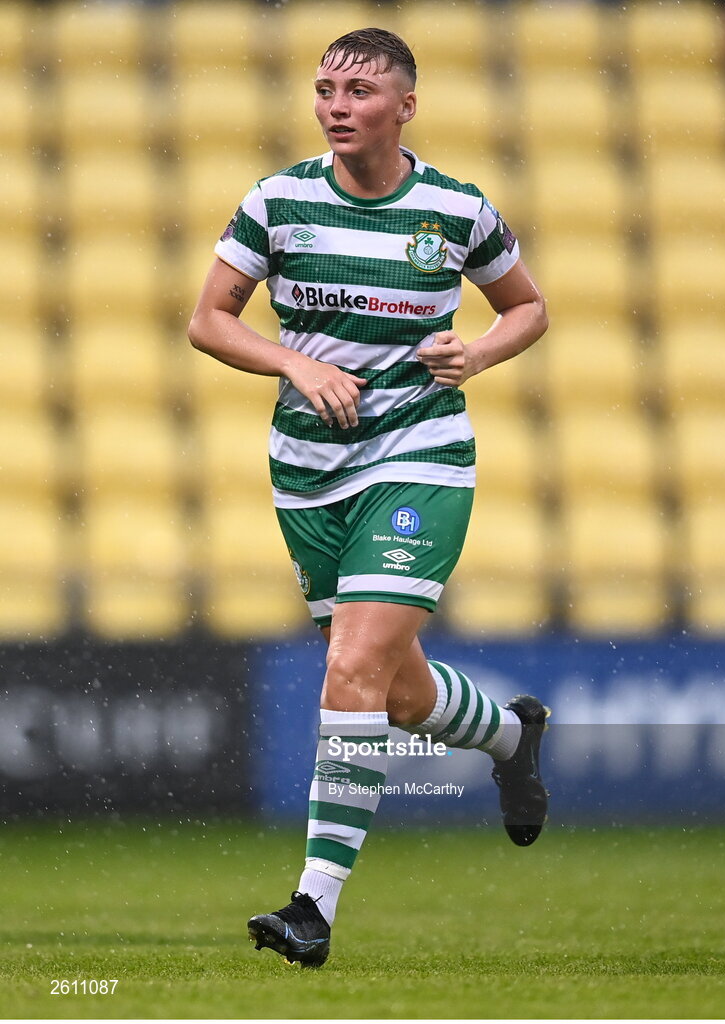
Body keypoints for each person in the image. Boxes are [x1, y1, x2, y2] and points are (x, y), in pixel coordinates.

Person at [188, 27, 549, 969]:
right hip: (310, 470)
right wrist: (293, 360)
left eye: (356, 89)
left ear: (405, 106)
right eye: (324, 88)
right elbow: (208, 321)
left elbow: (528, 307)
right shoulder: (278, 201)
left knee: (350, 667)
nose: (335, 104)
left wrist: (474, 352)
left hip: (420, 454)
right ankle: (511, 739)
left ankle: (312, 907)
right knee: (391, 693)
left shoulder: (456, 209)